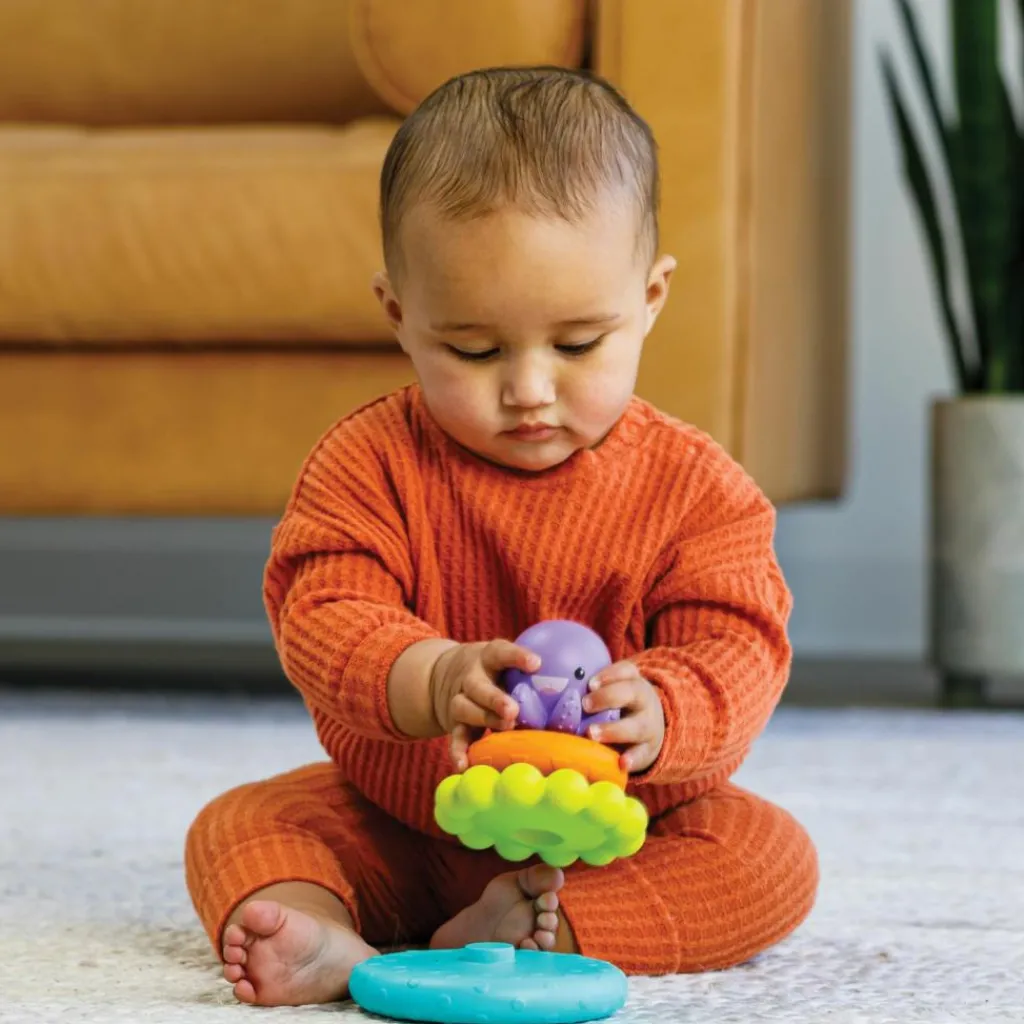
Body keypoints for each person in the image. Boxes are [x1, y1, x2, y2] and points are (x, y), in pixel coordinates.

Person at [184, 65, 818, 1007]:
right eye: (474, 350)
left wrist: (666, 708)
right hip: (404, 820)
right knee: (244, 822)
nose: (527, 388)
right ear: (400, 313)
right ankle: (320, 927)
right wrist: (432, 675)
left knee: (771, 858)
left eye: (576, 344)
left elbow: (742, 643)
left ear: (649, 297)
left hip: (611, 838)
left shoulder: (699, 491)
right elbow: (322, 609)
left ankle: (548, 929)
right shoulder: (370, 463)